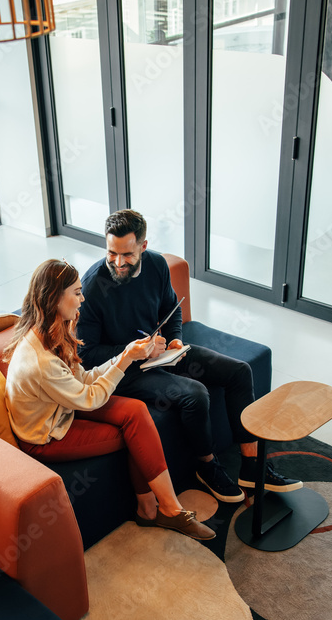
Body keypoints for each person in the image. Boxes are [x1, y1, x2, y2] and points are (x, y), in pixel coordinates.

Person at [75, 209, 302, 503]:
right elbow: (87, 354)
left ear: (143, 247)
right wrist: (135, 350)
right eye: (111, 254)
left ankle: (253, 466)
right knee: (195, 394)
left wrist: (175, 340)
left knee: (239, 372)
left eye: (127, 255)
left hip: (162, 354)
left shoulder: (156, 265)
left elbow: (172, 310)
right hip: (123, 371)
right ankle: (206, 467)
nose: (118, 263)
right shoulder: (93, 287)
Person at [4, 258, 216, 542]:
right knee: (134, 430)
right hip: (45, 435)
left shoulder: (54, 330)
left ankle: (150, 508)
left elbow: (83, 378)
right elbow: (89, 398)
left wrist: (125, 355)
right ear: (55, 298)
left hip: (63, 406)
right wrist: (126, 359)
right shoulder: (40, 361)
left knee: (137, 411)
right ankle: (167, 510)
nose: (83, 298)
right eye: (77, 292)